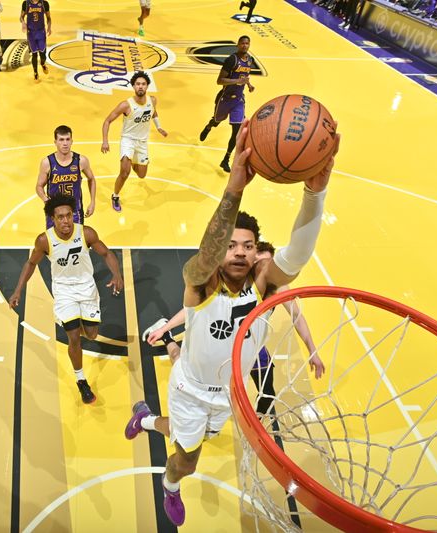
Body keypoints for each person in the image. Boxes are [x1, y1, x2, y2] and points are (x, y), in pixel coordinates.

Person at [125, 120, 340, 526]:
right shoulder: (202, 283)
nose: (239, 253)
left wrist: (315, 192)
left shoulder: (264, 287)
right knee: (186, 462)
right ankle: (169, 487)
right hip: (190, 389)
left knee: (193, 437)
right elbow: (206, 257)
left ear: (258, 252)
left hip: (229, 393)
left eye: (249, 246)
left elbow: (297, 253)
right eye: (231, 246)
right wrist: (234, 188)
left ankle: (146, 417)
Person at [141, 240, 326, 416]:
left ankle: (255, 427)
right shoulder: (230, 282)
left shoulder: (276, 285)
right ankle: (168, 339)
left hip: (252, 349)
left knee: (267, 392)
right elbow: (193, 310)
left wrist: (313, 351)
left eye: (268, 265)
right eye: (260, 263)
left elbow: (297, 316)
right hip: (221, 343)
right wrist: (166, 328)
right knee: (183, 366)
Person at [9, 194, 124, 404]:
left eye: (69, 216)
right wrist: (18, 290)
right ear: (53, 219)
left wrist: (116, 274)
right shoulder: (44, 240)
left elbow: (106, 253)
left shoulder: (86, 233)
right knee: (74, 337)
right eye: (60, 217)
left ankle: (77, 320)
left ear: (74, 215)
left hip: (87, 288)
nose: (65, 221)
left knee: (91, 334)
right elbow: (31, 264)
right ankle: (81, 381)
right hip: (63, 292)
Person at [101, 70, 167, 213]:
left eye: (143, 84)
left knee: (142, 175)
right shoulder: (126, 105)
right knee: (125, 173)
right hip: (128, 140)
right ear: (133, 86)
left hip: (142, 143)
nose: (140, 86)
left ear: (147, 86)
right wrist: (105, 141)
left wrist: (159, 127)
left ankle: (133, 162)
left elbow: (153, 112)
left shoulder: (153, 100)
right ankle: (115, 196)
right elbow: (107, 121)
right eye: (138, 84)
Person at [198, 35, 254, 173]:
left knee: (237, 131)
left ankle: (226, 159)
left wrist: (249, 85)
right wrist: (236, 82)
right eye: (242, 43)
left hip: (238, 101)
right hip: (225, 98)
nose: (245, 46)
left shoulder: (249, 60)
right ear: (238, 45)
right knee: (217, 121)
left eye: (247, 43)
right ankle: (209, 126)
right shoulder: (232, 60)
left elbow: (244, 77)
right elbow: (220, 80)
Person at [36, 125, 97, 228]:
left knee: (76, 241)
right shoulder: (47, 163)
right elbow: (39, 186)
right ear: (55, 142)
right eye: (61, 140)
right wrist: (46, 200)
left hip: (75, 211)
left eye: (67, 139)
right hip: (54, 211)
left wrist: (92, 202)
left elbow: (91, 179)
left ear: (72, 141)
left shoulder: (81, 160)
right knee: (54, 241)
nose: (65, 143)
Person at [19, 0, 50, 81]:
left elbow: (49, 18)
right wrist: (23, 23)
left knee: (43, 54)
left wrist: (49, 27)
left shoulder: (44, 3)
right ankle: (35, 72)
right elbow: (21, 17)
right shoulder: (26, 3)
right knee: (34, 54)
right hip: (31, 33)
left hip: (41, 32)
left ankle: (42, 63)